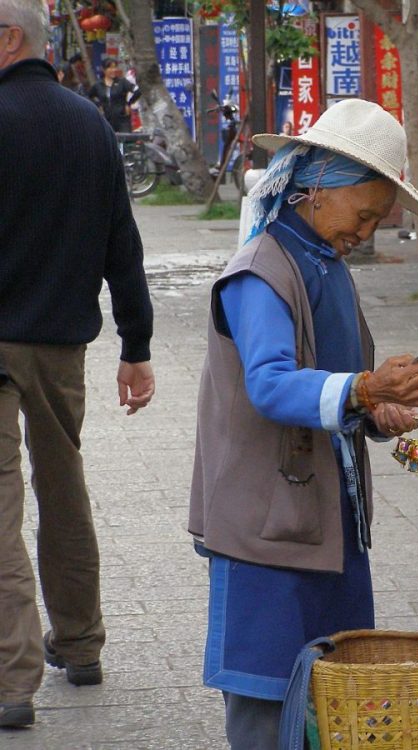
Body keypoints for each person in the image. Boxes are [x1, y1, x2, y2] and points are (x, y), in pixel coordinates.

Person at [187, 98, 418, 749]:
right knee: (264, 700)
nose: (365, 232)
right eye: (364, 215)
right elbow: (272, 385)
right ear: (317, 190)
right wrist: (363, 387)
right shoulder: (258, 273)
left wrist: (379, 409)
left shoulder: (326, 266)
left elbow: (341, 385)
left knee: (332, 697)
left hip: (329, 526)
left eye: (377, 222)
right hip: (266, 531)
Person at [0, 0, 155, 730]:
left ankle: (11, 680)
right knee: (63, 486)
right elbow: (121, 242)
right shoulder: (88, 122)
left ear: (10, 38)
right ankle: (81, 644)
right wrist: (136, 345)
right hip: (61, 346)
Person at [88, 56, 139, 132]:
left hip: (122, 119)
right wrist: (98, 105)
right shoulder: (98, 85)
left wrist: (129, 104)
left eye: (115, 67)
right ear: (104, 69)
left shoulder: (122, 82)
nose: (113, 70)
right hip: (106, 119)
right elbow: (89, 96)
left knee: (125, 141)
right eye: (110, 68)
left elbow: (137, 91)